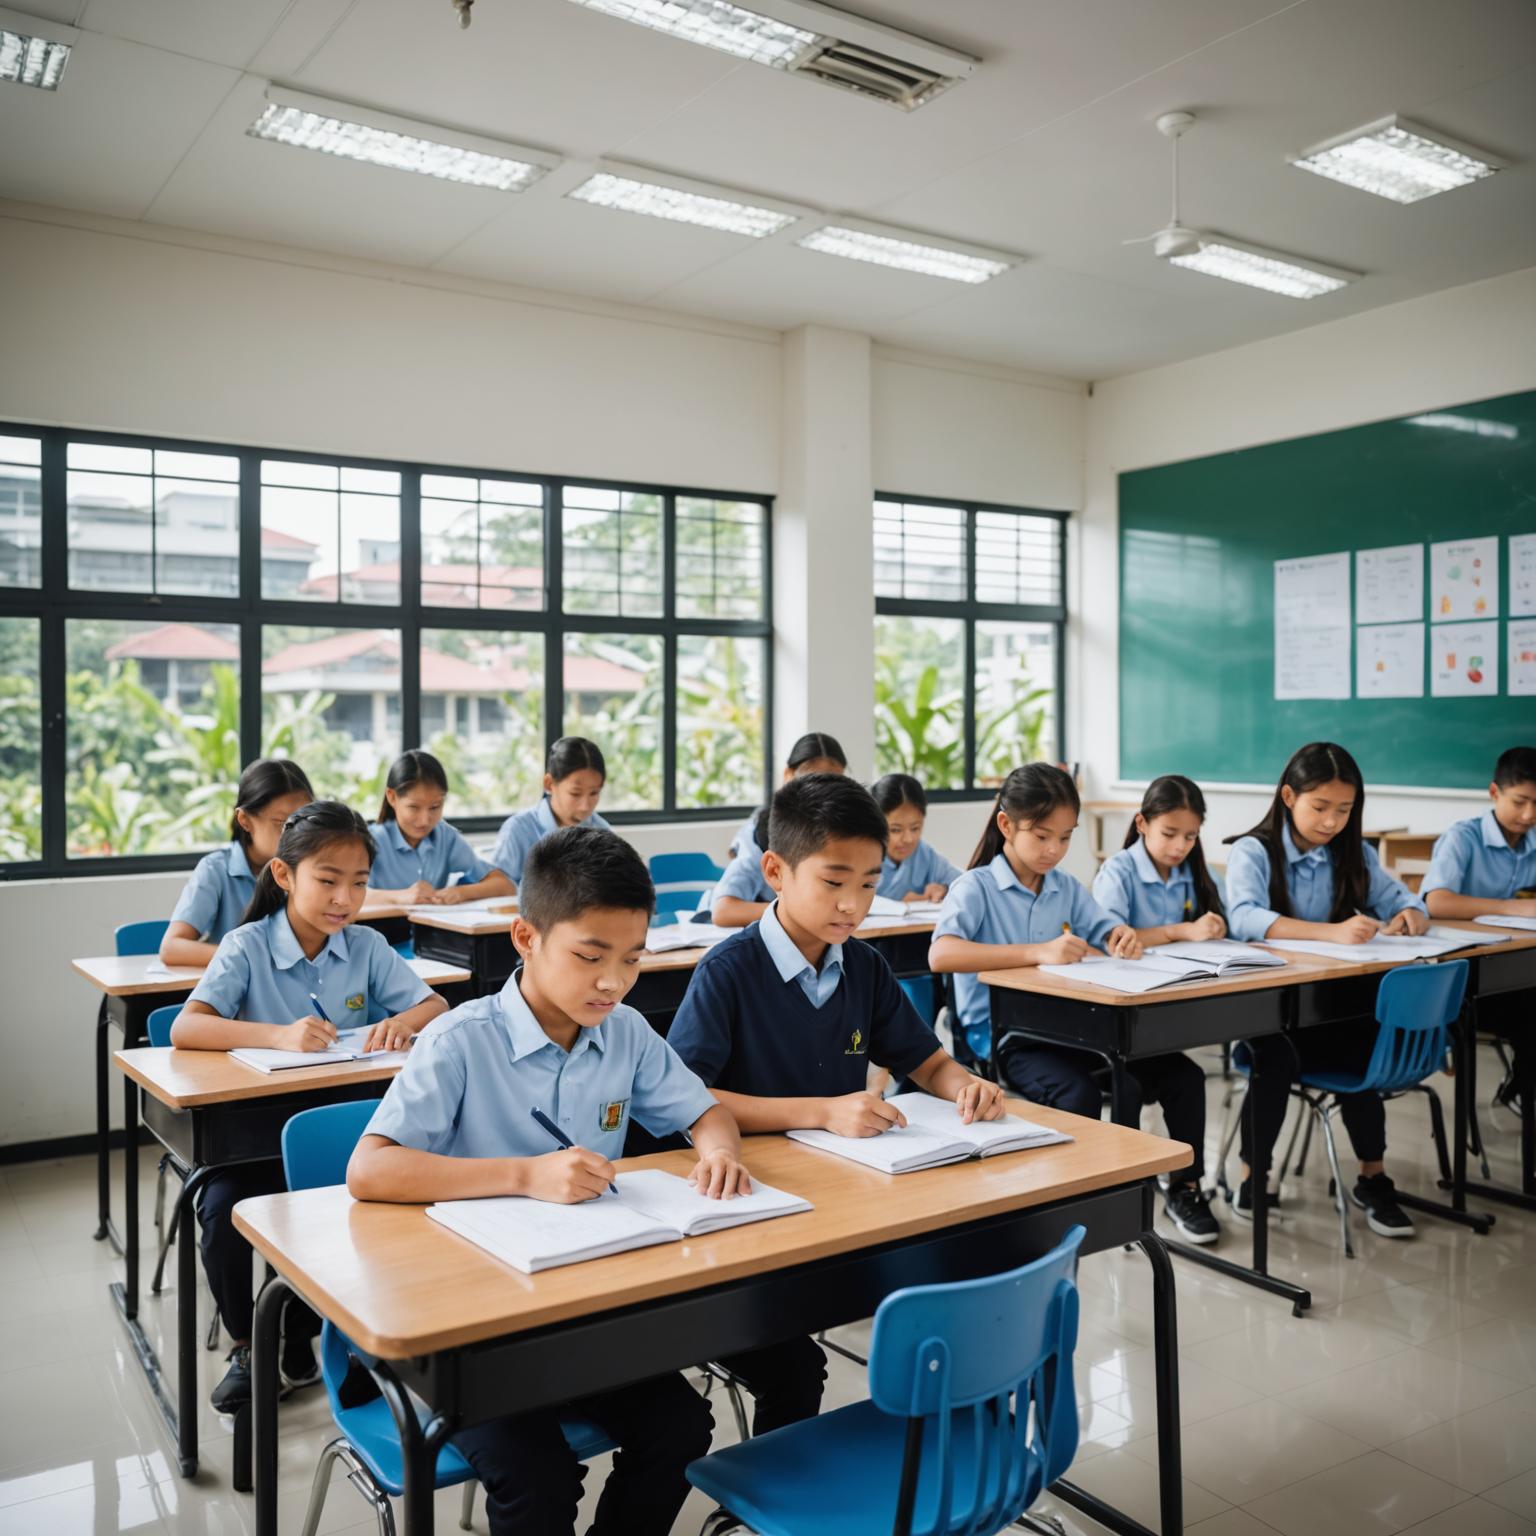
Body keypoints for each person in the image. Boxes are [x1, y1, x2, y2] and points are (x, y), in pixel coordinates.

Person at [348, 825, 751, 1536]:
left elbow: (706, 1111)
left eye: (632, 959)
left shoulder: (625, 1032)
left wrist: (718, 1150)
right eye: (590, 956)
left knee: (682, 1427)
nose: (613, 981)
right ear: (526, 938)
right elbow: (370, 1167)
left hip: (578, 1306)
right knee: (538, 1476)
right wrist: (526, 1175)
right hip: (467, 1324)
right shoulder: (461, 1040)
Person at [669, 774, 1005, 1430]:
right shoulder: (728, 972)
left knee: (958, 1270)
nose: (853, 905)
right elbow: (685, 1098)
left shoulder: (863, 966)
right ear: (775, 871)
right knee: (799, 1367)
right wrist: (821, 1110)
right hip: (756, 1206)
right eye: (833, 881)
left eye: (870, 884)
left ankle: (935, 1446)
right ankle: (784, 1481)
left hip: (845, 1194)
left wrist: (965, 1084)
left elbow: (925, 1060)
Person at [172, 801, 447, 1407]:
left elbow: (435, 1006)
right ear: (284, 875)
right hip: (257, 1132)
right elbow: (187, 1028)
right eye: (328, 880)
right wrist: (276, 1035)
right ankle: (250, 1344)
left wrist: (400, 1022)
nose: (344, 898)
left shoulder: (366, 945)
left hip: (341, 1127)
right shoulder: (246, 945)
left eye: (359, 883)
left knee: (372, 1202)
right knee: (220, 1209)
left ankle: (311, 1330)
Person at [929, 765, 1220, 1243]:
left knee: (1181, 1075)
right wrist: (1037, 951)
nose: (1054, 850)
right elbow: (941, 955)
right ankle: (1073, 1204)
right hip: (1005, 1039)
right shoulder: (976, 887)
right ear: (1006, 825)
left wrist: (1119, 936)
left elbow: (1104, 928)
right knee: (1080, 1093)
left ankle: (1176, 1189)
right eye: (1042, 836)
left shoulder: (1063, 886)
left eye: (1065, 838)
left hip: (1069, 1030)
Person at [1225, 741, 1429, 1235]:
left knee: (1368, 1038)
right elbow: (1244, 917)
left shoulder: (1353, 853)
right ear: (1289, 796)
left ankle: (1372, 1178)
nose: (1332, 821)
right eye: (1320, 807)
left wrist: (1410, 914)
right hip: (1267, 1012)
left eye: (1344, 809)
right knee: (1275, 1057)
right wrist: (1330, 933)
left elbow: (1404, 899)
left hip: (1328, 1008)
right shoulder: (1254, 851)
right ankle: (1253, 1178)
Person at [159, 758, 313, 967]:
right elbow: (171, 948)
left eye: (304, 822)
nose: (296, 835)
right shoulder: (216, 869)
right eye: (282, 823)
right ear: (245, 820)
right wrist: (251, 956)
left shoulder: (311, 870)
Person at [367, 748, 513, 904]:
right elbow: (350, 896)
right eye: (414, 807)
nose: (424, 820)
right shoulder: (371, 841)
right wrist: (399, 896)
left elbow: (505, 886)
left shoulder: (445, 837)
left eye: (435, 807)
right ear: (392, 797)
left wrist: (462, 892)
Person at [492, 736, 610, 889]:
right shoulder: (518, 830)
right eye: (575, 793)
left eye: (594, 793)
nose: (585, 806)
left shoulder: (603, 833)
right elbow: (498, 887)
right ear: (549, 784)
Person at [870, 772, 960, 902]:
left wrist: (944, 889)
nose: (908, 839)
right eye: (896, 830)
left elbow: (965, 883)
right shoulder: (862, 857)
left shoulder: (925, 855)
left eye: (915, 828)